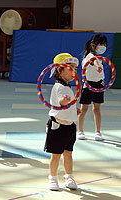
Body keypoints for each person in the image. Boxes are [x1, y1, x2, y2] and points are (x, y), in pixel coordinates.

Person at [44, 53, 81, 191]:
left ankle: (69, 176)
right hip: (58, 126)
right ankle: (53, 178)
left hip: (69, 126)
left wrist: (73, 109)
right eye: (71, 68)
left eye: (76, 70)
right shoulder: (59, 87)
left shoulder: (68, 87)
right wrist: (64, 102)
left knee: (68, 153)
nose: (74, 72)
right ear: (60, 70)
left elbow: (67, 104)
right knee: (56, 154)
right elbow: (60, 101)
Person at [78, 34, 108, 141]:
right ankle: (80, 130)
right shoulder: (90, 56)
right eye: (101, 44)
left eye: (105, 45)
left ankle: (97, 132)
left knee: (97, 109)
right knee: (83, 109)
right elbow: (94, 62)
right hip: (88, 85)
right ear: (94, 45)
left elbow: (99, 70)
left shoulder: (99, 58)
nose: (103, 47)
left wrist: (102, 78)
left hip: (98, 85)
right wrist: (97, 66)